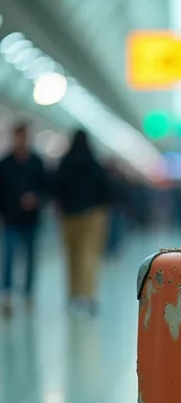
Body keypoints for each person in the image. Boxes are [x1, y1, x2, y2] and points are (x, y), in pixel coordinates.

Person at [54, 130, 111, 315]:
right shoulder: (95, 164)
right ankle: (87, 296)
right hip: (92, 216)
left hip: (69, 216)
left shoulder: (65, 163)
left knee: (72, 256)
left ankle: (74, 296)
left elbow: (56, 188)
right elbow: (106, 190)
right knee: (89, 255)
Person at [0, 122, 47, 317]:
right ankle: (8, 294)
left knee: (30, 258)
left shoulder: (37, 163)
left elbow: (46, 188)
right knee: (9, 257)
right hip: (11, 219)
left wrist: (36, 198)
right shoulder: (5, 163)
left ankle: (28, 293)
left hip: (31, 219)